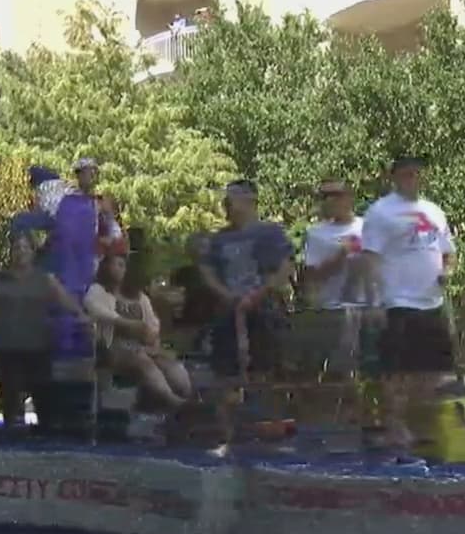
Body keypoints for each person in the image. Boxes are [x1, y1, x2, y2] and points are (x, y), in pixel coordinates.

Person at [360, 156, 456, 462]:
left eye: (417, 173)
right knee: (397, 373)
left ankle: (423, 428)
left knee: (433, 371)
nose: (412, 179)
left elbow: (448, 253)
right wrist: (375, 300)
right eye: (406, 174)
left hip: (432, 302)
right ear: (395, 177)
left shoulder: (434, 211)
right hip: (397, 301)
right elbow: (370, 259)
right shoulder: (381, 212)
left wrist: (447, 273)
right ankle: (395, 429)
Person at [0, 231, 89, 430]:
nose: (20, 252)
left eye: (25, 247)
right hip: (6, 350)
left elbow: (68, 302)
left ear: (32, 251)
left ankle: (46, 427)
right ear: (11, 252)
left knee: (45, 399)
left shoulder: (45, 279)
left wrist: (83, 317)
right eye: (16, 248)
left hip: (37, 348)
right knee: (11, 387)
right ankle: (13, 424)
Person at [199, 180, 294, 451]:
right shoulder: (219, 239)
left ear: (249, 200)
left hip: (264, 309)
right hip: (228, 312)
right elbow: (207, 271)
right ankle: (227, 437)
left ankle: (270, 435)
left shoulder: (270, 233)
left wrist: (258, 294)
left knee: (266, 372)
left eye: (231, 199)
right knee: (225, 376)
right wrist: (227, 296)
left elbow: (285, 267)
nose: (226, 205)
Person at [298, 178, 370, 427]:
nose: (330, 201)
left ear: (349, 198)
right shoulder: (316, 233)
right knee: (341, 368)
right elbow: (312, 276)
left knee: (375, 367)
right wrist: (341, 254)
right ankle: (345, 418)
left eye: (336, 195)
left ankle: (373, 416)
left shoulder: (368, 227)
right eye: (325, 196)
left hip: (370, 306)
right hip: (334, 309)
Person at [85, 255, 189, 417]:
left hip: (142, 347)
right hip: (111, 349)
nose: (122, 269)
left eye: (124, 266)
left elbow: (153, 324)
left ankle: (185, 399)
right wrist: (127, 324)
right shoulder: (97, 291)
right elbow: (96, 310)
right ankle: (175, 402)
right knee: (143, 361)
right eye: (118, 264)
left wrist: (150, 335)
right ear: (105, 267)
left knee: (169, 364)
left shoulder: (140, 297)